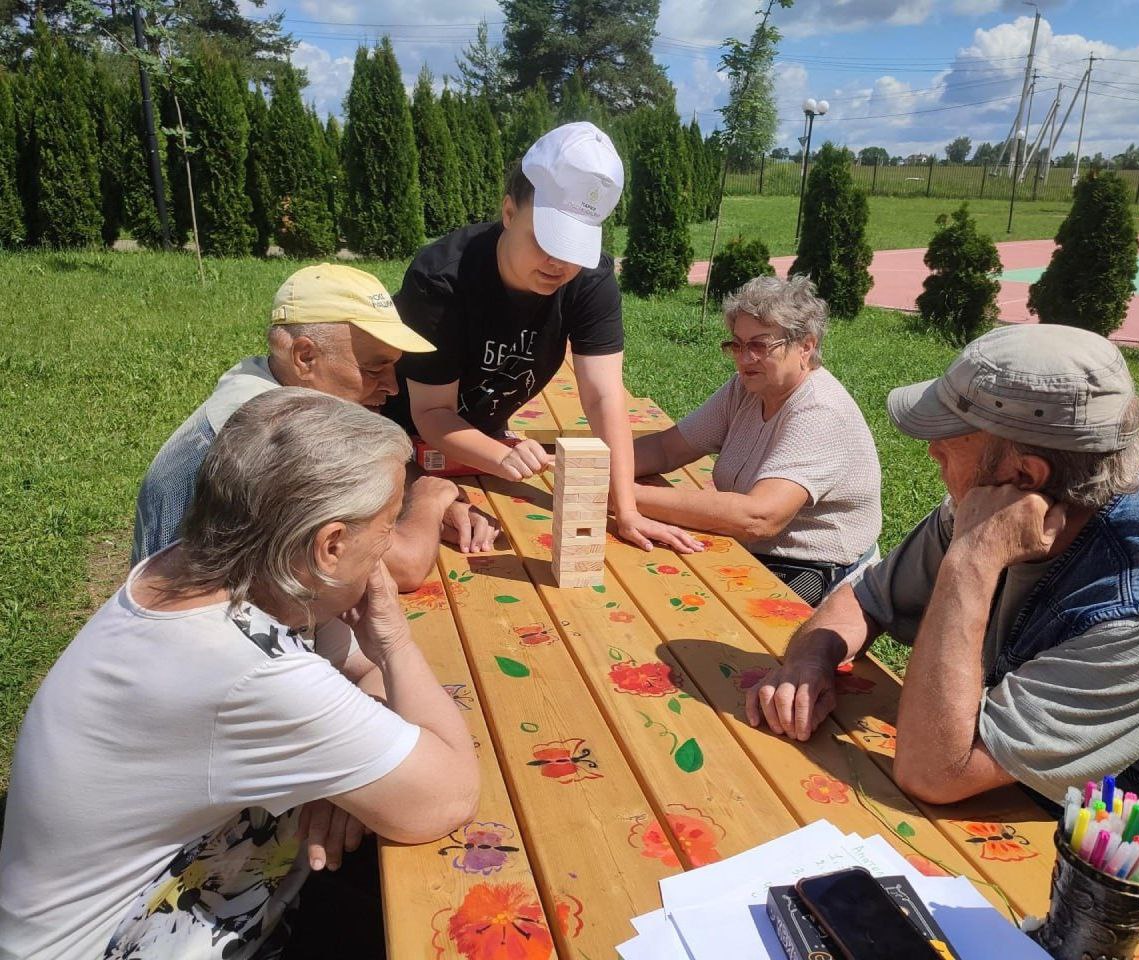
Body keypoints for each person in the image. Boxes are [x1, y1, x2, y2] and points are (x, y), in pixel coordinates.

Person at [744, 324, 1139, 960]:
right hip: (1010, 815)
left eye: (948, 443)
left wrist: (972, 559)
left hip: (1124, 909)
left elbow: (934, 771)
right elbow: (864, 597)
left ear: (1025, 471)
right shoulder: (1015, 499)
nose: (933, 456)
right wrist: (811, 655)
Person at [0, 389, 480, 960]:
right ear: (330, 545)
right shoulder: (250, 671)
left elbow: (356, 674)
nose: (388, 547)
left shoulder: (212, 569)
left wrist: (344, 769)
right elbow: (445, 797)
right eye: (387, 526)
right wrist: (394, 641)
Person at [384, 121, 700, 554]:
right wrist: (500, 454)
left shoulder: (590, 280)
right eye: (546, 240)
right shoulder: (441, 279)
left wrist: (625, 510)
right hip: (393, 438)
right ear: (509, 213)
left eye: (575, 248)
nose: (559, 263)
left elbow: (604, 396)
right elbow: (433, 413)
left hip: (481, 440)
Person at [131, 263, 499, 590]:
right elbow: (404, 568)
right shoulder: (277, 431)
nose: (391, 386)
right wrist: (431, 501)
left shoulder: (266, 381)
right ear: (305, 357)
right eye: (373, 369)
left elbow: (376, 475)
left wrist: (424, 505)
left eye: (392, 368)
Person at [631, 275, 881, 604]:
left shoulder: (820, 411)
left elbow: (758, 517)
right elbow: (667, 449)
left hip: (816, 576)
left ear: (806, 346)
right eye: (737, 344)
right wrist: (593, 465)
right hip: (751, 552)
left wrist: (623, 495)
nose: (744, 359)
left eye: (760, 346)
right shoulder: (747, 388)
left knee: (663, 598)